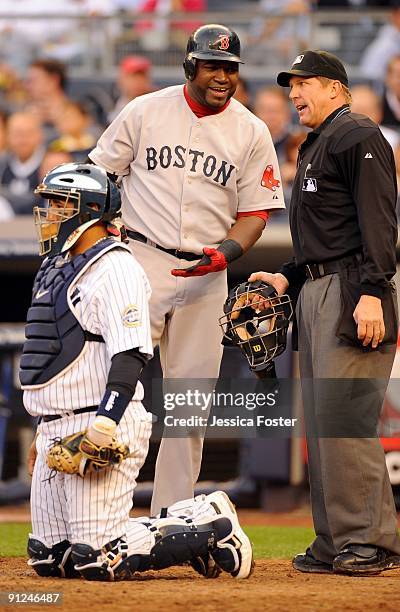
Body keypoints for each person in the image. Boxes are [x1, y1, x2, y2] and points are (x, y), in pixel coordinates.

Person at [21, 162, 253, 582]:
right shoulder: (55, 267)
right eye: (50, 203)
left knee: (97, 558)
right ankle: (193, 522)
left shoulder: (117, 268)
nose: (49, 213)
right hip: (57, 429)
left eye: (59, 204)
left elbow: (130, 353)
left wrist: (105, 424)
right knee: (49, 558)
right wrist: (42, 431)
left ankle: (208, 525)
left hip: (102, 420)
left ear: (88, 210)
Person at [89, 23, 285, 516]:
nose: (223, 76)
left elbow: (256, 211)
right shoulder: (144, 110)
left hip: (207, 274)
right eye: (213, 65)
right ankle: (98, 509)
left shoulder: (251, 129)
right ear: (190, 66)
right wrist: (106, 232)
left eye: (231, 68)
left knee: (188, 408)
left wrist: (230, 253)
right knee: (116, 392)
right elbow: (100, 175)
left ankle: (168, 521)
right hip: (141, 262)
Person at [250, 50, 400, 576]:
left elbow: (379, 224)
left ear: (337, 88)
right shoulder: (316, 142)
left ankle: (370, 542)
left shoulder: (357, 134)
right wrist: (286, 277)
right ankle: (334, 539)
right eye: (290, 86)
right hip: (317, 288)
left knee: (344, 420)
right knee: (320, 425)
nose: (295, 94)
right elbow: (322, 239)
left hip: (353, 288)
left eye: (305, 84)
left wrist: (373, 291)